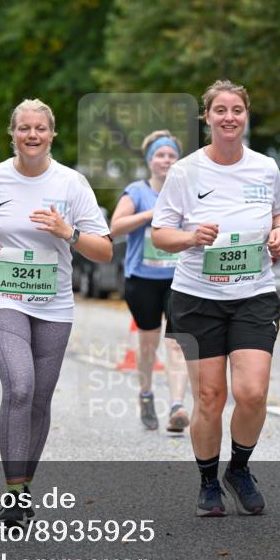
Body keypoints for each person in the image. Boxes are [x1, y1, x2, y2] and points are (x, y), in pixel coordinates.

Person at [0, 99, 113, 526]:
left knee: (40, 398)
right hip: (0, 294)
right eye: (24, 128)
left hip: (54, 302)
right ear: (13, 133)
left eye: (40, 128)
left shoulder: (71, 183)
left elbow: (103, 249)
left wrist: (68, 232)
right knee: (20, 387)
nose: (32, 135)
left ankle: (24, 484)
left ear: (52, 134)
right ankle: (12, 491)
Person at [152, 80, 280, 517]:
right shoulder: (185, 172)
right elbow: (160, 232)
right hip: (196, 297)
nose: (229, 117)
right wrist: (191, 236)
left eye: (237, 110)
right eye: (220, 111)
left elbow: (279, 212)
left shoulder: (265, 167)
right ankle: (209, 481)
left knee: (251, 393)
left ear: (246, 115)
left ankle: (240, 469)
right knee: (209, 398)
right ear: (207, 118)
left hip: (253, 293)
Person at [109, 130, 190, 432]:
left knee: (177, 344)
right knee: (148, 344)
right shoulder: (137, 191)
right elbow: (115, 226)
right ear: (150, 160)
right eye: (160, 155)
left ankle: (177, 406)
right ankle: (146, 394)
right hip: (142, 280)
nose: (166, 160)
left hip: (179, 279)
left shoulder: (185, 190)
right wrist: (151, 215)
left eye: (171, 155)